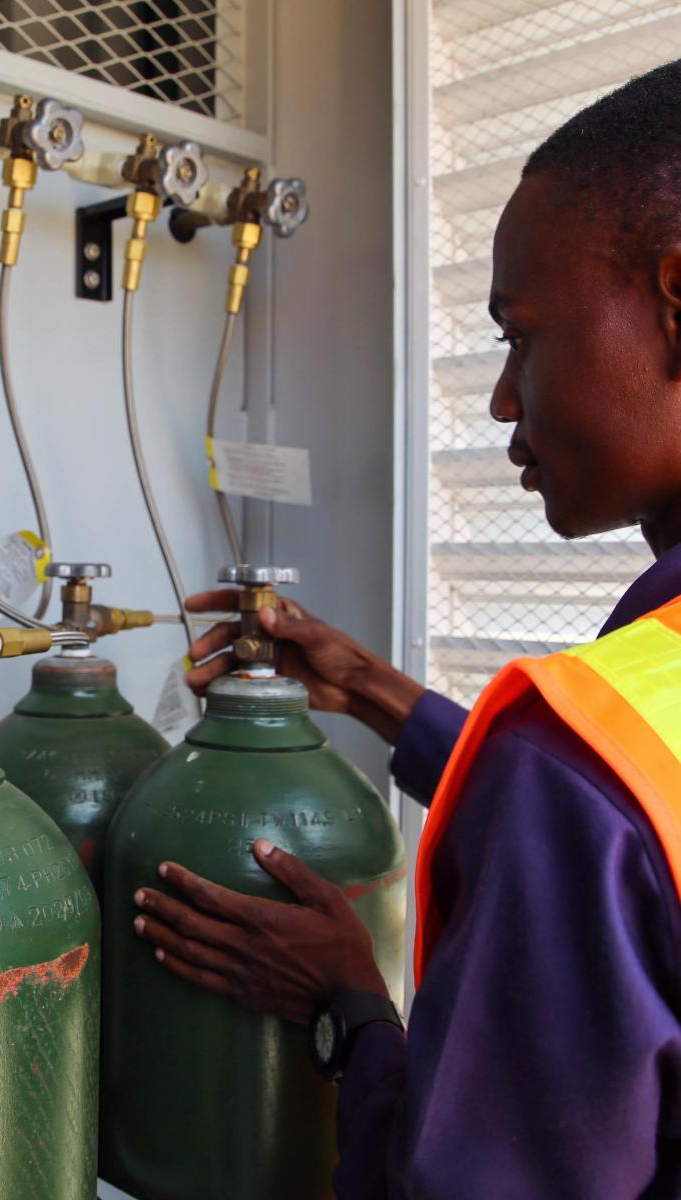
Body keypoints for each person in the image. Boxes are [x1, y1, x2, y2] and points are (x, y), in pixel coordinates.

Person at [131, 62, 681, 1198]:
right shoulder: (597, 762)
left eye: (519, 336)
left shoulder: (577, 775)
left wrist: (353, 1009)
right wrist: (377, 693)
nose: (501, 400)